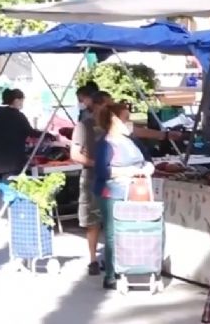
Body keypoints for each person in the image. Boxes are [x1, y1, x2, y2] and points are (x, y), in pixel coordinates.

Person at [94, 103, 154, 290]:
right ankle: (111, 275)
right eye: (125, 118)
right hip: (112, 192)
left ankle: (129, 268)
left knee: (131, 231)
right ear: (114, 119)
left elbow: (148, 159)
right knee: (113, 234)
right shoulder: (105, 144)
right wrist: (129, 171)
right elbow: (103, 171)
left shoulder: (132, 140)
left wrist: (148, 169)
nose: (128, 122)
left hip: (136, 191)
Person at [71, 88, 112, 276]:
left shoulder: (113, 125)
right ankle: (93, 259)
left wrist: (165, 136)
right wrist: (98, 164)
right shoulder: (83, 126)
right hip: (92, 178)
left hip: (113, 179)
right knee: (93, 221)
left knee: (112, 221)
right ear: (95, 106)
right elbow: (74, 154)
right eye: (106, 104)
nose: (109, 108)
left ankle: (112, 259)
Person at [0, 89, 41, 176]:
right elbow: (31, 132)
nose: (22, 104)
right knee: (10, 187)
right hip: (11, 162)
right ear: (16, 100)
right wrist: (47, 134)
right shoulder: (18, 116)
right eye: (22, 101)